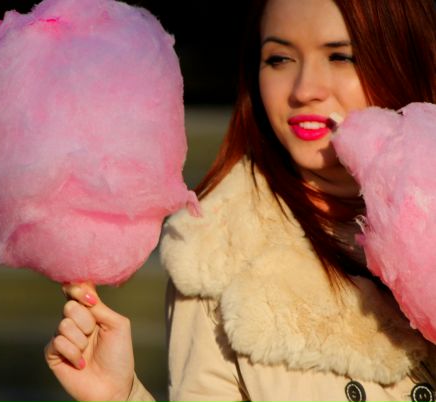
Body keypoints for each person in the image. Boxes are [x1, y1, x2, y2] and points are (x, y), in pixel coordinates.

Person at [44, 0, 436, 400]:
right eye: (279, 59)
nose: (304, 90)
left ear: (404, 57)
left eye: (340, 57)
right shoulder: (214, 254)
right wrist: (120, 396)